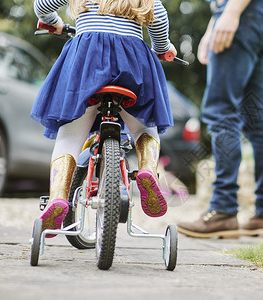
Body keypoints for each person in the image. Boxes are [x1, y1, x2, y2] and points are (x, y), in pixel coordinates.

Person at [32, 0, 177, 237]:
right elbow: (159, 19)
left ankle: (58, 197)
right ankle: (148, 170)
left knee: (69, 135)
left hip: (86, 64)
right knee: (144, 129)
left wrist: (54, 23)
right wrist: (163, 47)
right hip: (132, 67)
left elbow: (42, 6)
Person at [177, 0, 263, 239]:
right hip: (258, 15)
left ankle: (223, 210)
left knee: (221, 111)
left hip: (241, 13)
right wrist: (214, 23)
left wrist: (231, 12)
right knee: (256, 118)